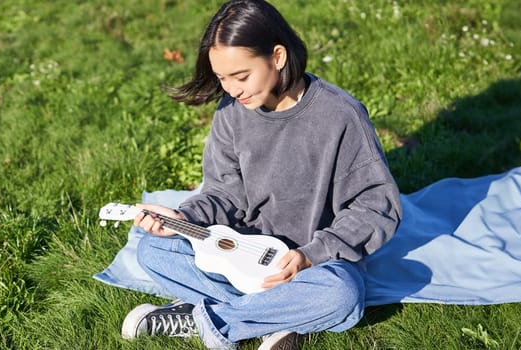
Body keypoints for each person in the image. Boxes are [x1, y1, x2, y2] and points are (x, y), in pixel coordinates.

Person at [121, 1, 402, 349]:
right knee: (154, 251)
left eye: (240, 76)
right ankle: (277, 319)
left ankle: (212, 321)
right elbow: (223, 193)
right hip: (240, 254)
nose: (232, 90)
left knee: (342, 293)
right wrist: (184, 218)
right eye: (222, 79)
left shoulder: (340, 115)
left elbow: (375, 206)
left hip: (313, 265)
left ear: (278, 56)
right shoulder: (231, 113)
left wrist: (312, 253)